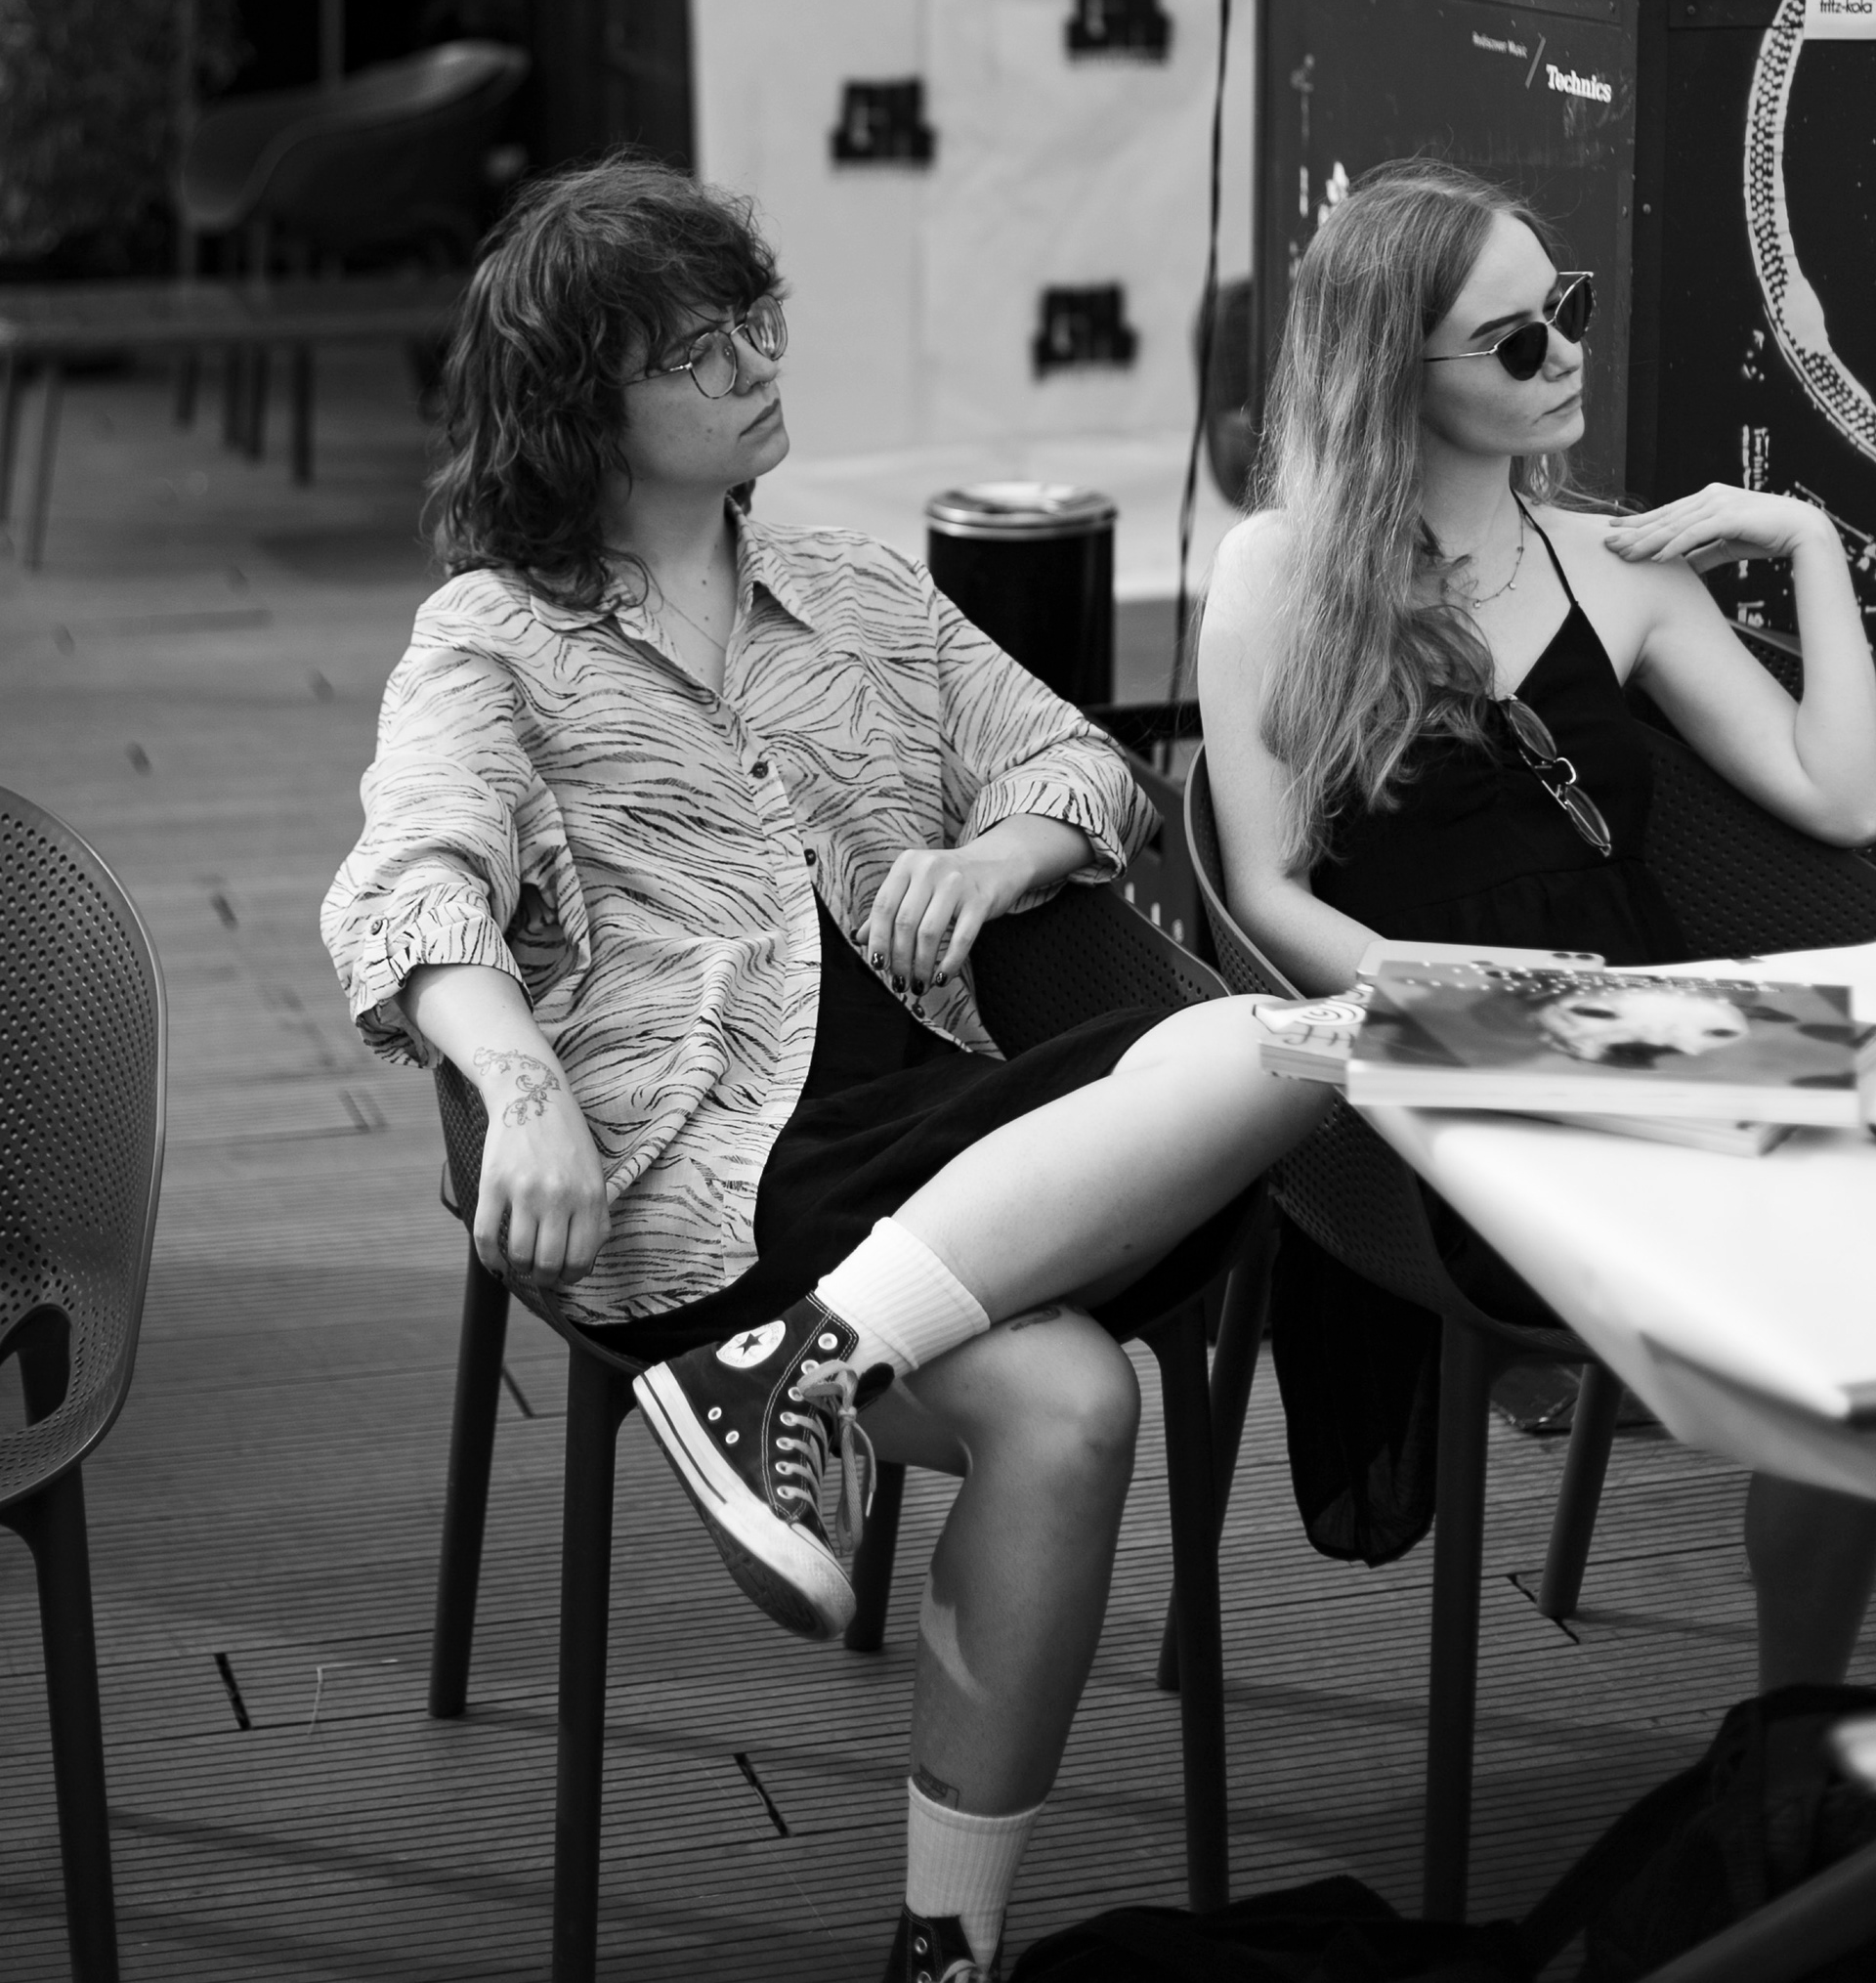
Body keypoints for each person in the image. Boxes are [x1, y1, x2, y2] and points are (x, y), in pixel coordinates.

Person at [322, 153, 1329, 1983]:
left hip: (942, 1101)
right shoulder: (491, 640)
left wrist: (994, 858)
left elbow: (1080, 763)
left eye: (758, 322)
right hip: (704, 1153)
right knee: (1074, 1402)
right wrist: (520, 1087)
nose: (759, 365)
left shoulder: (860, 592)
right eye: (701, 350)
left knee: (1270, 1045)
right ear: (584, 406)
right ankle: (951, 1947)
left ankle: (803, 1371)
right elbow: (412, 883)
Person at [1198, 155, 1876, 1686]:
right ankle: (1798, 1737)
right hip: (1445, 1071)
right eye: (1515, 340)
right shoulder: (1279, 572)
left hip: (1656, 1043)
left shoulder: (1612, 565)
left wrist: (1805, 541)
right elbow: (1265, 891)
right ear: (1397, 374)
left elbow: (1841, 798)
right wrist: (1479, 1005)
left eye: (1563, 308)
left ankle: (1794, 1725)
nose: (1564, 352)